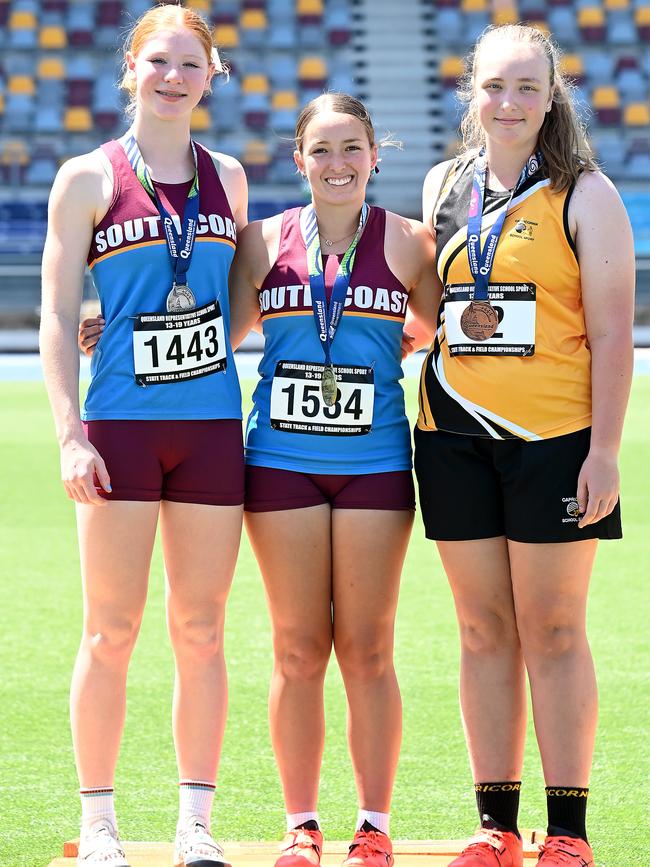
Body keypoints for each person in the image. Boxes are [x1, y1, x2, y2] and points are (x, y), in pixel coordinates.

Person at [413, 24, 635, 867]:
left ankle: (568, 832)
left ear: (551, 97)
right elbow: (428, 313)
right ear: (472, 90)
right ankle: (496, 825)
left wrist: (604, 452)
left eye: (526, 88)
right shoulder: (444, 184)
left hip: (555, 441)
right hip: (453, 438)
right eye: (494, 85)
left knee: (552, 627)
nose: (508, 103)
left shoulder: (586, 193)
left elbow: (614, 336)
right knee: (481, 629)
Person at [39, 6, 248, 866]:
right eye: (157, 60)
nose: (172, 77)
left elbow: (233, 308)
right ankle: (99, 824)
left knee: (201, 629)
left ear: (211, 76)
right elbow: (54, 315)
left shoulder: (229, 179)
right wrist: (68, 433)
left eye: (189, 65)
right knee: (110, 630)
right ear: (131, 67)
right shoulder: (86, 178)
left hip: (208, 428)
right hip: (118, 429)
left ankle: (195, 821)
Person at [228, 92, 439, 867]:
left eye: (353, 148)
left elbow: (445, 329)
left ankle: (374, 823)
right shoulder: (261, 244)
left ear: (376, 155)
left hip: (376, 466)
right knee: (296, 646)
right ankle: (301, 824)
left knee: (368, 646)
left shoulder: (412, 244)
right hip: (279, 465)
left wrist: (386, 347)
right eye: (322, 149)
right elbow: (217, 329)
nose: (338, 164)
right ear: (299, 159)